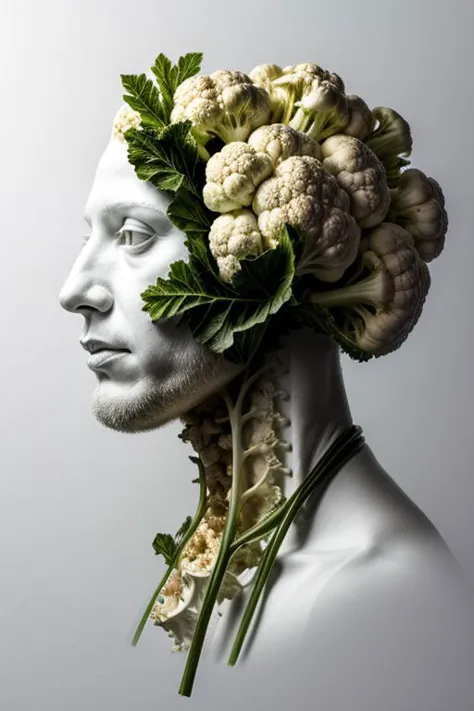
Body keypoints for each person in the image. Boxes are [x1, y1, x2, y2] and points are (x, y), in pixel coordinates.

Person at [59, 119, 474, 709]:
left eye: (131, 235)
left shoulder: (391, 593)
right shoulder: (218, 563)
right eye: (87, 238)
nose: (74, 289)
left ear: (269, 257)